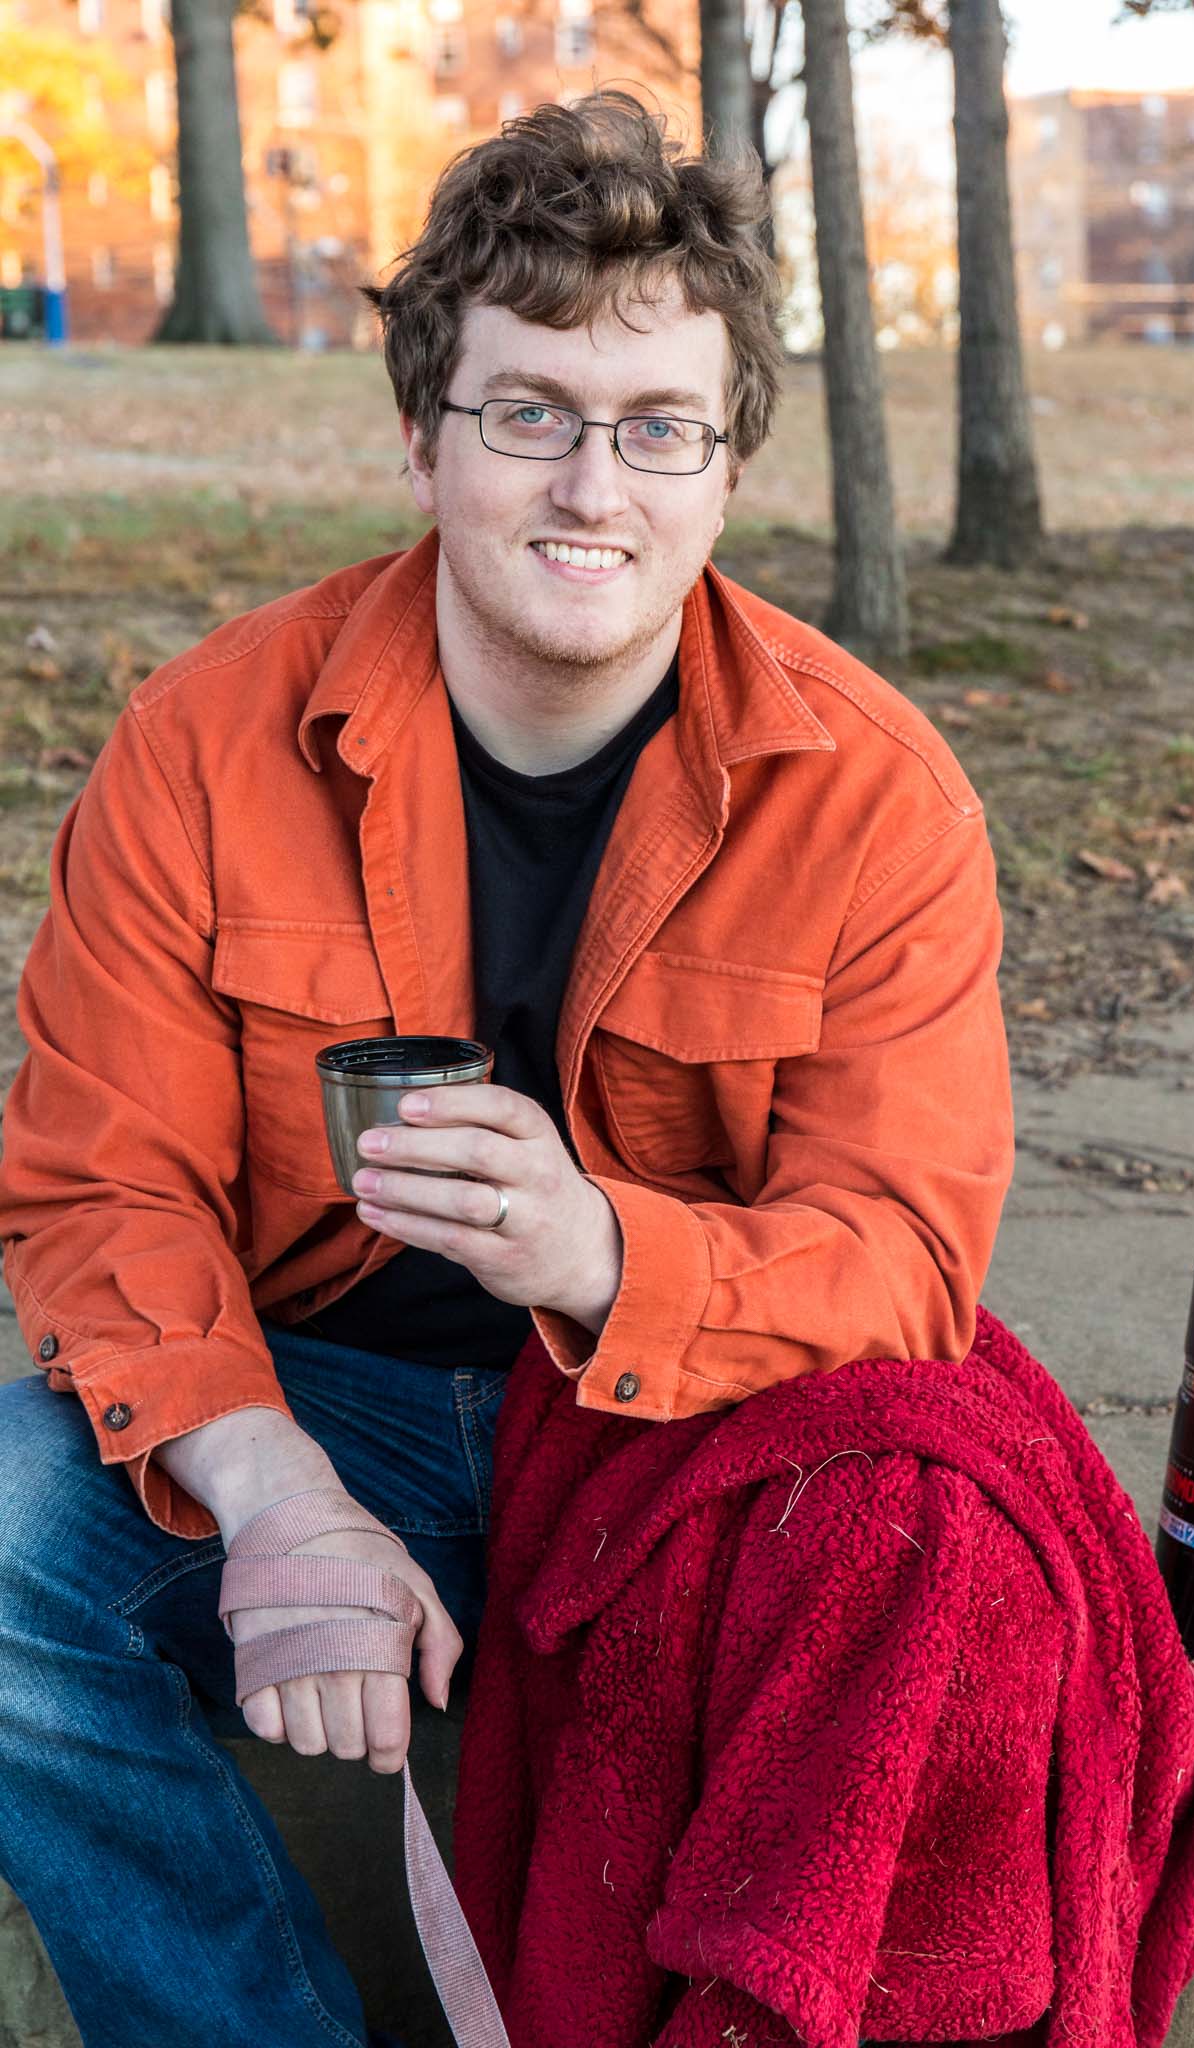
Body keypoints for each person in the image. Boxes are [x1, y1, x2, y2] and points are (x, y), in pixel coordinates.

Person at [0, 91, 1012, 2048]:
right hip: (319, 1392)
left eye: (655, 428)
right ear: (421, 436)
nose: (589, 488)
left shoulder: (877, 796)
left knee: (933, 1615)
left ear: (726, 468)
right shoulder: (206, 742)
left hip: (671, 1428)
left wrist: (604, 1251)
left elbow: (901, 1256)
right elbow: (95, 1179)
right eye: (527, 411)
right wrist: (269, 1487)